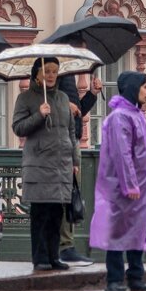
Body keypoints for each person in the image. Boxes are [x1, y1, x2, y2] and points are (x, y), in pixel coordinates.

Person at [89, 71, 146, 291]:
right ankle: (115, 279)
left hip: (140, 188)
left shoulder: (135, 115)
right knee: (118, 232)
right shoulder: (120, 117)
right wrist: (130, 185)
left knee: (137, 231)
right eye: (145, 86)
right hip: (122, 189)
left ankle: (136, 276)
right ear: (132, 88)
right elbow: (122, 154)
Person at [12, 57, 80, 272]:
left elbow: (70, 131)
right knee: (41, 213)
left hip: (61, 164)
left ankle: (54, 256)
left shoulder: (62, 98)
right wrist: (39, 115)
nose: (51, 75)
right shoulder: (26, 98)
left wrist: (75, 160)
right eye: (47, 71)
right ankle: (40, 258)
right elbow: (18, 128)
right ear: (37, 74)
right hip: (39, 164)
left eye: (54, 71)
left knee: (56, 213)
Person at [55, 38, 102, 267]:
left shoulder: (69, 78)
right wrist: (66, 107)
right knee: (67, 194)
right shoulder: (60, 76)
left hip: (72, 139)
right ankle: (65, 245)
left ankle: (67, 243)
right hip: (64, 143)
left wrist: (92, 94)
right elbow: (53, 108)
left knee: (71, 193)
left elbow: (78, 111)